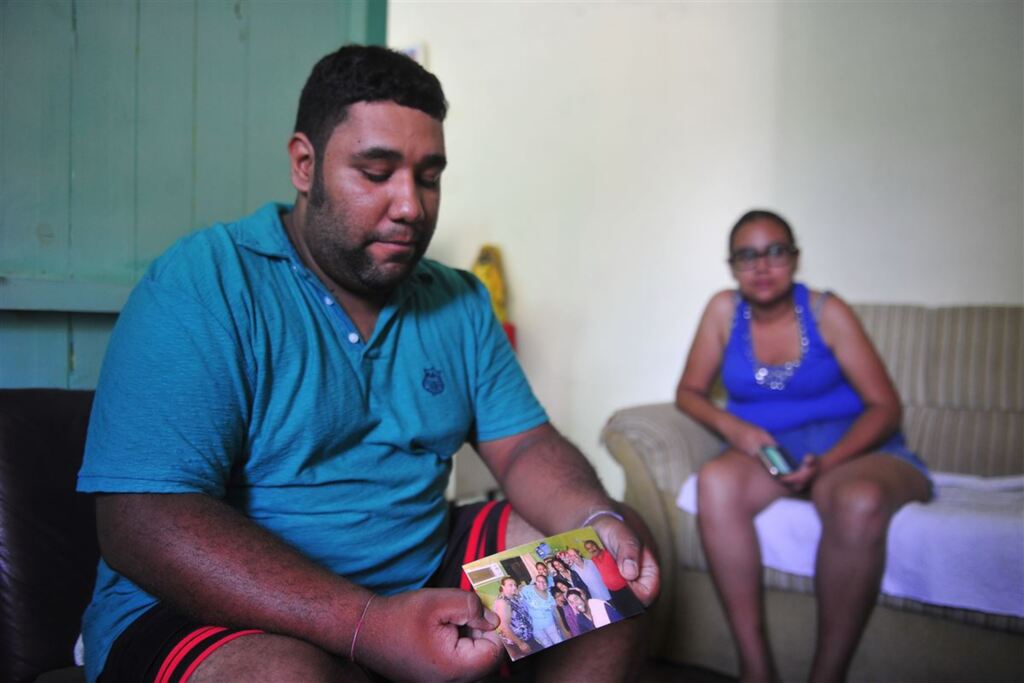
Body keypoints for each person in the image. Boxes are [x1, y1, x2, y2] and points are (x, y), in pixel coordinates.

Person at [75, 44, 659, 683]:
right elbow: (141, 521)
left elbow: (523, 447)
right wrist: (367, 625)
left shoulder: (458, 301)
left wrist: (591, 516)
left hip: (418, 578)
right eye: (377, 172)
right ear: (305, 165)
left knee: (608, 567)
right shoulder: (206, 284)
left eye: (428, 177)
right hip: (218, 613)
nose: (411, 206)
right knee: (285, 678)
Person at [675, 209, 931, 683]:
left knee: (858, 499)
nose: (762, 266)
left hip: (852, 449)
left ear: (795, 258)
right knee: (715, 482)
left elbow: (885, 407)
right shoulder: (723, 311)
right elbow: (688, 392)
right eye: (747, 256)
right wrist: (736, 430)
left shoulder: (826, 312)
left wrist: (829, 462)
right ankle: (756, 669)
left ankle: (826, 676)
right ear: (732, 267)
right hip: (772, 449)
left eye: (775, 251)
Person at [584, 538, 645, 616]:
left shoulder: (609, 553)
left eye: (592, 546)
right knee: (624, 613)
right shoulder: (593, 560)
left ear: (596, 545)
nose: (592, 549)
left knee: (636, 609)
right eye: (588, 549)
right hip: (612, 591)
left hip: (624, 588)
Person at [520, 574, 566, 648]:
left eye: (544, 581)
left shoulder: (550, 595)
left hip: (549, 622)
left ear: (546, 583)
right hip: (535, 625)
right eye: (539, 581)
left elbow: (554, 606)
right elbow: (519, 595)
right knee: (546, 644)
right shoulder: (527, 590)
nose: (541, 583)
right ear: (535, 582)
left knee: (557, 640)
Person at [493, 577, 533, 658]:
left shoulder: (513, 597)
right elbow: (504, 626)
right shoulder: (502, 602)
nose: (514, 587)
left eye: (515, 585)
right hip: (518, 642)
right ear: (503, 587)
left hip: (527, 637)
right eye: (510, 585)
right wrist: (520, 644)